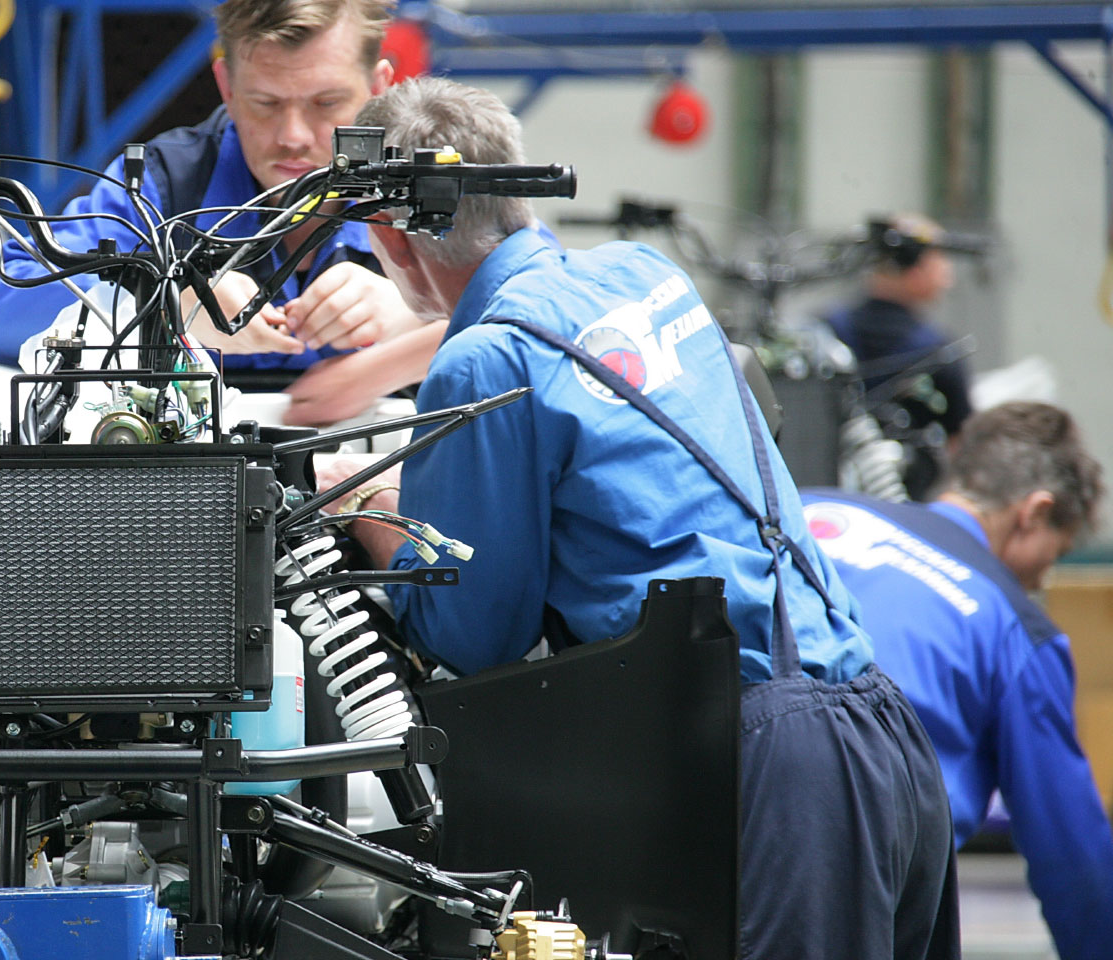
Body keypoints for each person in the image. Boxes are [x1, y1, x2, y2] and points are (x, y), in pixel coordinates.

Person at [326, 77, 957, 957]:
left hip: (771, 770)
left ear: (391, 235)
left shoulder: (484, 361)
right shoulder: (645, 275)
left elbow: (475, 635)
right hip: (880, 736)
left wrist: (373, 508)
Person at [0, 0, 436, 424]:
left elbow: (488, 313)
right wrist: (164, 306)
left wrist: (419, 318)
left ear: (379, 87)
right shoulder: (164, 182)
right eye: (265, 103)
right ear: (226, 86)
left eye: (326, 102)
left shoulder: (426, 184)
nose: (293, 135)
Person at [803, 402, 1112, 960]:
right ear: (1034, 512)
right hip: (848, 875)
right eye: (1057, 554)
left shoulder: (813, 508)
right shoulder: (1016, 627)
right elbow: (1072, 855)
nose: (1042, 579)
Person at [828, 212, 974, 498]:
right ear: (916, 269)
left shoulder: (824, 332)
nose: (947, 278)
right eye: (939, 262)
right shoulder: (938, 349)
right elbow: (961, 444)